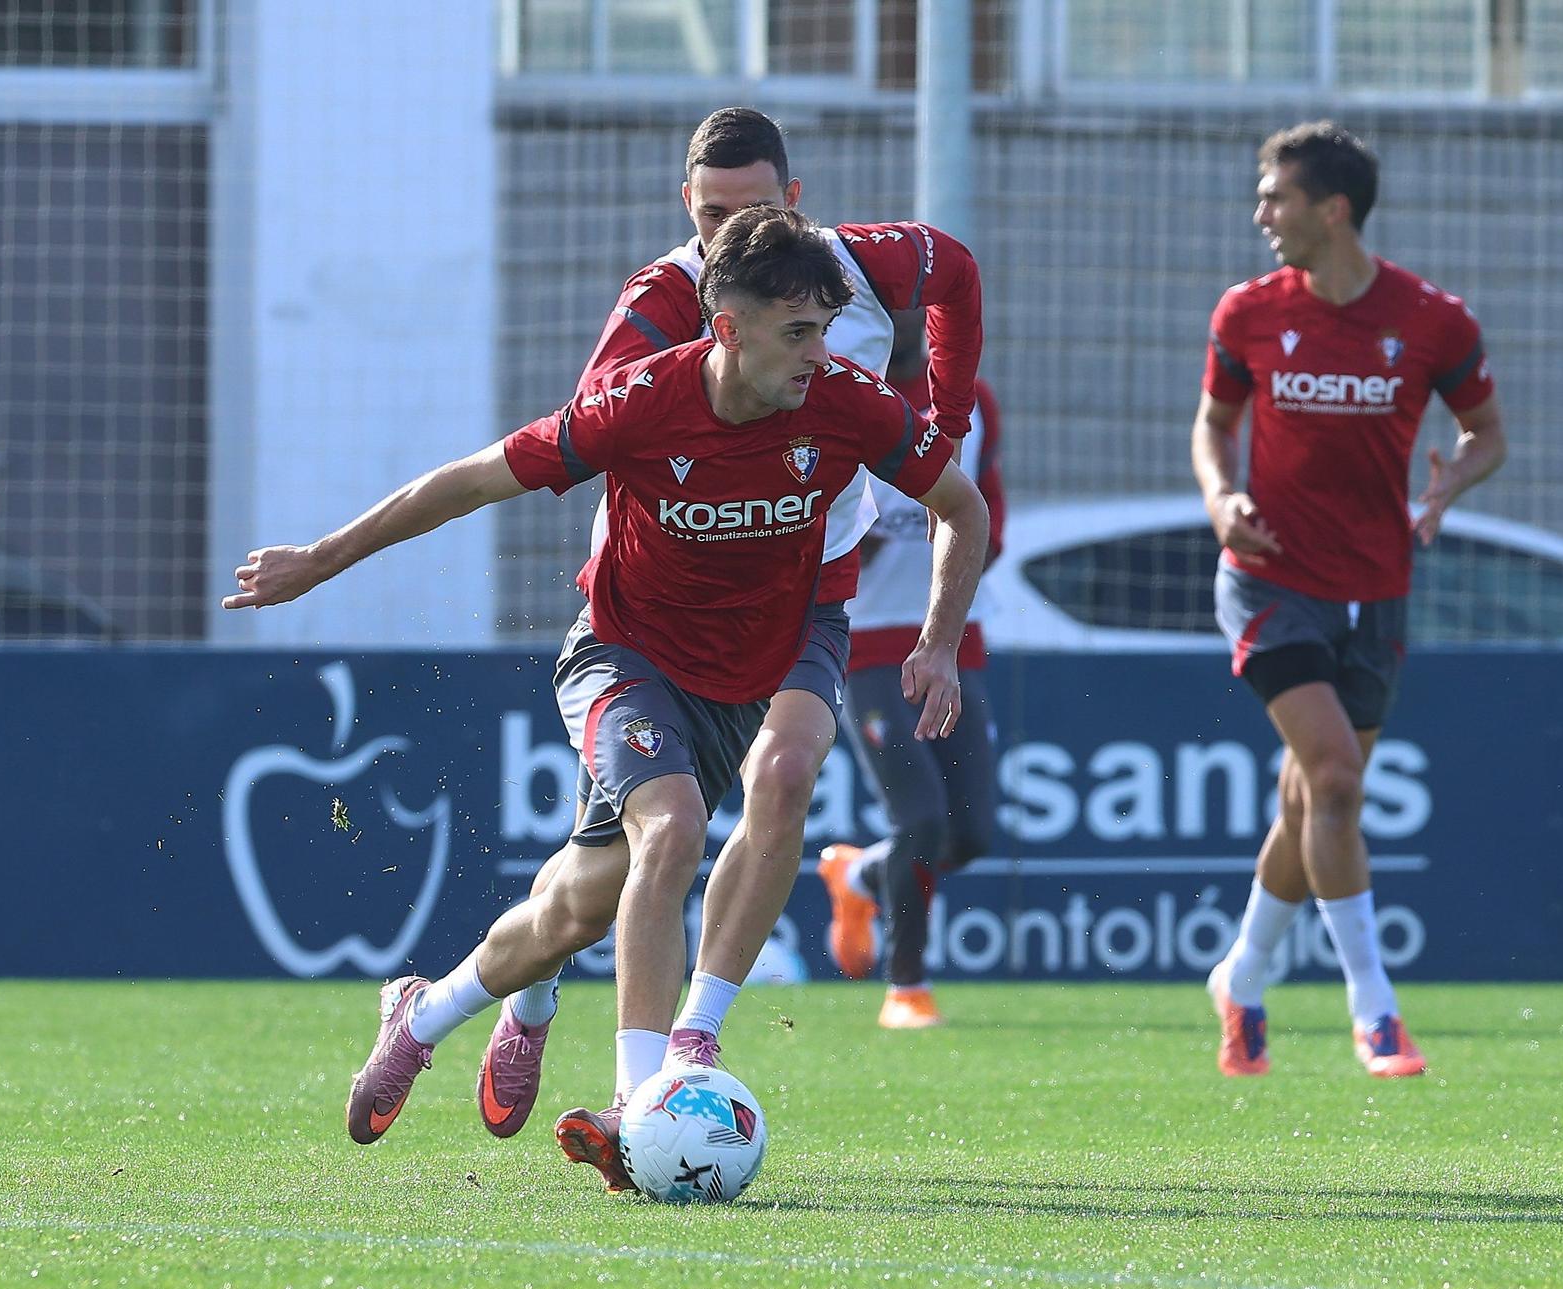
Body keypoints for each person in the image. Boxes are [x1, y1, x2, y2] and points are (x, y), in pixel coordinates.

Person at [222, 207, 989, 1189]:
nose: (819, 352)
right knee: (663, 834)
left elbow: (957, 510)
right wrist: (322, 559)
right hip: (630, 652)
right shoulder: (637, 402)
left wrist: (936, 642)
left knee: (730, 808)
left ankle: (559, 1027)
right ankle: (632, 1098)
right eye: (797, 332)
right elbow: (470, 482)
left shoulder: (847, 401)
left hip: (785, 638)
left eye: (825, 330)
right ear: (728, 327)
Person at [481, 107, 984, 1140]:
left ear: (790, 205)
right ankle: (520, 998)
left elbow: (960, 275)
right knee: (608, 870)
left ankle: (684, 1051)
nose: (724, 235)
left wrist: (945, 417)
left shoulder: (863, 274)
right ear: (685, 207)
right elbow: (592, 428)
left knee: (783, 780)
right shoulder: (667, 297)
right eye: (708, 213)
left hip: (811, 584)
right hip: (666, 608)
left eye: (747, 211)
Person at [1193, 122, 1506, 1079]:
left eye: (1276, 198)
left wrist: (1452, 484)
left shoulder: (1434, 321)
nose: (1261, 215)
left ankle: (1241, 977)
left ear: (1333, 210)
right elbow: (1214, 424)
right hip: (1268, 579)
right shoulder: (1247, 312)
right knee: (1333, 779)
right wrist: (1221, 498)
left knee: (1309, 799)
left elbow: (1487, 432)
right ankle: (1377, 1010)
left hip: (1376, 590)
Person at [817, 309, 1007, 1028]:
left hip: (950, 642)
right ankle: (907, 984)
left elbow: (991, 515)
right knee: (921, 816)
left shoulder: (972, 404)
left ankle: (860, 872)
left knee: (973, 833)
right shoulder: (837, 400)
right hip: (864, 646)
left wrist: (955, 557)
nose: (900, 319)